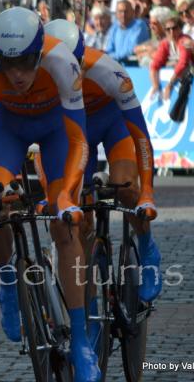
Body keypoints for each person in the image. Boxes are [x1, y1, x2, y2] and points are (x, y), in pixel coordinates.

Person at [0, 7, 101, 382]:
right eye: (8, 65)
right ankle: (7, 281)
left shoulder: (63, 62)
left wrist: (65, 194)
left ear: (41, 51)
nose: (17, 75)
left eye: (27, 63)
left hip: (56, 131)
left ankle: (82, 339)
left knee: (65, 225)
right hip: (7, 128)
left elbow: (80, 140)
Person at [43, 19, 162, 318]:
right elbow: (42, 147)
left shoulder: (109, 72)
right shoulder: (38, 77)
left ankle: (147, 247)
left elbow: (141, 136)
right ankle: (91, 306)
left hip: (112, 125)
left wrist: (147, 191)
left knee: (125, 187)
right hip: (72, 134)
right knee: (78, 220)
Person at [149, 14, 193, 100]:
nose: (171, 32)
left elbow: (183, 64)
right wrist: (155, 85)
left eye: (174, 28)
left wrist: (170, 85)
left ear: (180, 29)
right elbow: (155, 64)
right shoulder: (165, 43)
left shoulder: (184, 40)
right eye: (168, 29)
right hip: (181, 76)